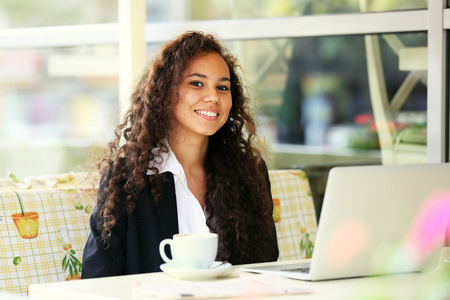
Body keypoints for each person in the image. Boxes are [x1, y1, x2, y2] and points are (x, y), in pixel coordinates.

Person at [81, 31, 279, 279]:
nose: (213, 97)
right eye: (196, 83)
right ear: (165, 92)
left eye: (222, 87)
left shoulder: (249, 173)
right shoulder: (127, 178)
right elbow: (97, 277)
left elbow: (265, 266)